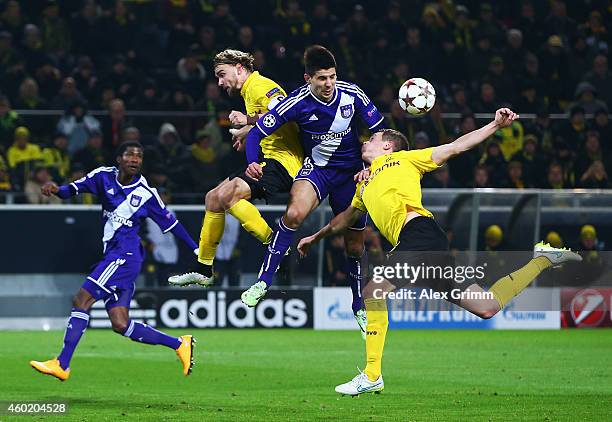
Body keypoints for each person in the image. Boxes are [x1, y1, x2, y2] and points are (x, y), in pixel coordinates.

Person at [296, 109, 582, 396]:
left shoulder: (405, 158)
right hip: (422, 245)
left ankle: (372, 374)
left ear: (387, 145)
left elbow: (456, 146)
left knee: (373, 291)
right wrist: (315, 236)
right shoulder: (364, 182)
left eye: (373, 138)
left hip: (419, 235)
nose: (365, 142)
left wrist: (495, 125)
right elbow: (344, 219)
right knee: (487, 307)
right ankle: (543, 259)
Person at [238, 45, 386, 338]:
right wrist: (252, 161)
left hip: (351, 174)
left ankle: (358, 304)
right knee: (293, 214)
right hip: (317, 169)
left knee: (355, 245)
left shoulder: (352, 94)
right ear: (308, 78)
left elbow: (382, 131)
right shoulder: (296, 102)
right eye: (321, 79)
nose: (329, 84)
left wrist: (373, 165)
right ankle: (263, 281)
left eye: (332, 77)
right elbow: (257, 133)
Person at [29, 141, 198, 381]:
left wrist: (196, 251)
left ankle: (62, 363)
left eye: (139, 156)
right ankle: (180, 344)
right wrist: (56, 189)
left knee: (81, 300)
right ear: (119, 158)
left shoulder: (146, 193)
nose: (135, 159)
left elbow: (172, 225)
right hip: (114, 255)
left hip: (125, 256)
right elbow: (73, 190)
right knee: (121, 324)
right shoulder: (102, 177)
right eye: (130, 154)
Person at [168, 50, 303, 288]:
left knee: (228, 196)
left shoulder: (260, 85)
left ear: (239, 68)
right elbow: (271, 122)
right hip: (270, 157)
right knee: (213, 198)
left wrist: (248, 121)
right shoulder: (249, 90)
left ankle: (276, 245)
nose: (220, 82)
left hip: (284, 162)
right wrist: (249, 131)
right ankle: (203, 268)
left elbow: (288, 115)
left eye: (222, 74)